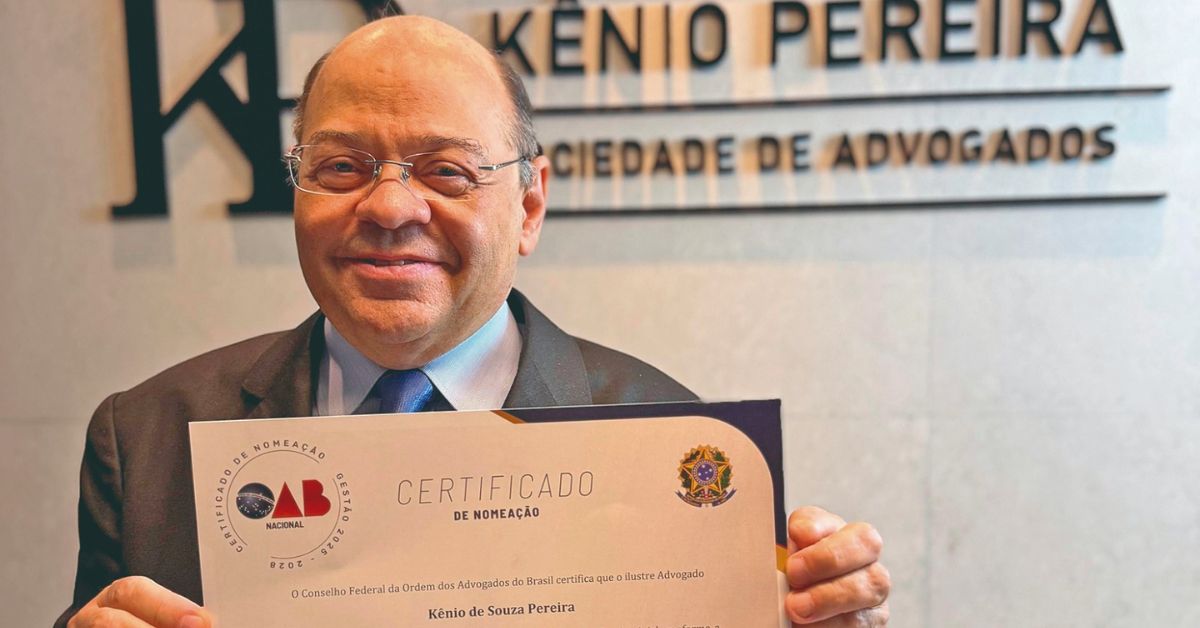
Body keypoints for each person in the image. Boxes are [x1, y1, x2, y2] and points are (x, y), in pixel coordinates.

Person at [59, 16, 889, 628]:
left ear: (529, 206)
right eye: (341, 166)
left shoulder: (670, 438)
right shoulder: (147, 437)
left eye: (447, 171)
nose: (389, 207)